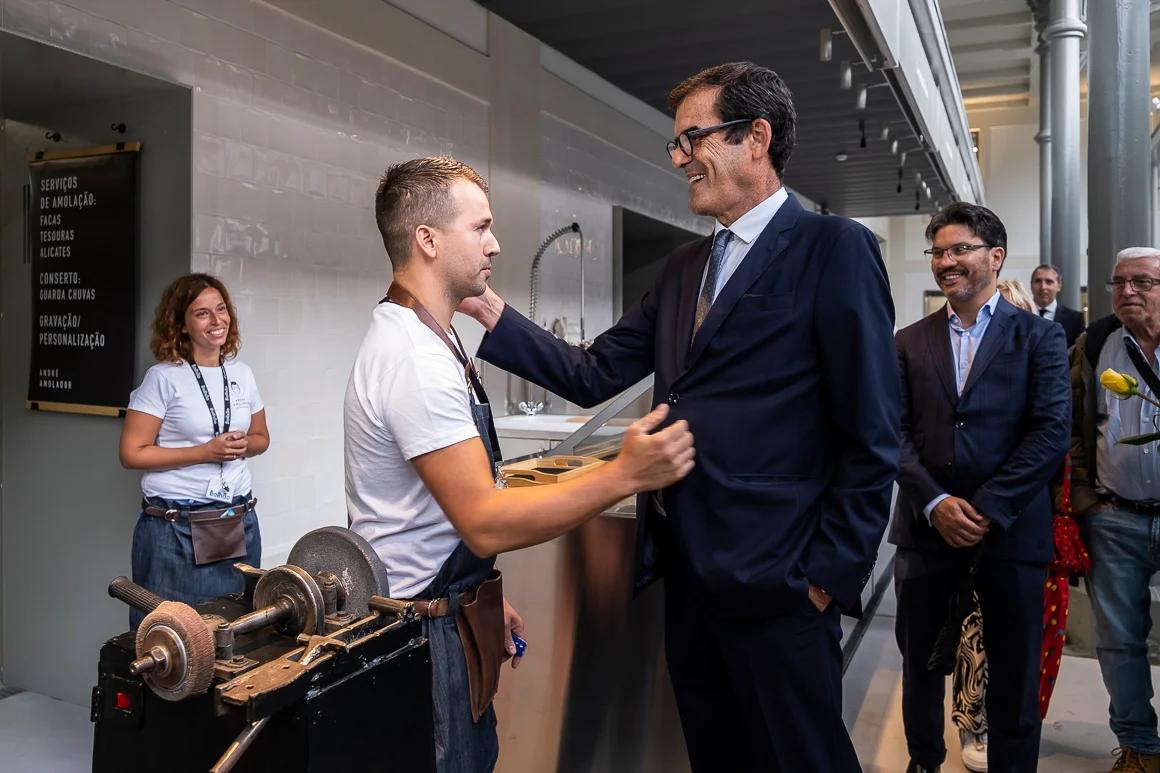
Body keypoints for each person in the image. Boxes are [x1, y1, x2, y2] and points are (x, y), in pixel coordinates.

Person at [460, 62, 901, 772]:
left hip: (782, 586)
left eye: (692, 139)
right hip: (689, 581)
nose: (679, 159)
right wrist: (488, 310)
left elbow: (873, 430)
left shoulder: (834, 249)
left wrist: (824, 578)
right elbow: (593, 371)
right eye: (676, 143)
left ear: (755, 138)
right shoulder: (682, 268)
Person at [345, 156, 694, 773]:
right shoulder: (415, 361)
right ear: (427, 239)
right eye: (480, 228)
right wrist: (624, 474)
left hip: (447, 612)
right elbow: (484, 521)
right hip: (421, 637)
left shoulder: (432, 337)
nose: (495, 244)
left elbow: (445, 524)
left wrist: (475, 592)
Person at [891, 203, 1070, 773]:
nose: (947, 261)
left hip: (1011, 533)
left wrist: (987, 507)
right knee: (920, 663)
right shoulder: (908, 341)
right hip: (926, 528)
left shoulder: (1038, 339)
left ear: (995, 256)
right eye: (939, 252)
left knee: (1013, 671)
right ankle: (924, 761)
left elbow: (1051, 432)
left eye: (960, 249)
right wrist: (938, 501)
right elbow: (889, 433)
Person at [119, 274, 269, 628]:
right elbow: (132, 453)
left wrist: (243, 446)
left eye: (221, 309)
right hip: (176, 529)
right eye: (202, 313)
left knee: (236, 631)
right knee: (174, 638)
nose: (217, 321)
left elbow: (261, 437)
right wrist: (206, 451)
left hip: (237, 521)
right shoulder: (163, 378)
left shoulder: (242, 373)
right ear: (182, 324)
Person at [1068, 247, 1160, 773]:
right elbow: (1076, 423)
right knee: (1119, 640)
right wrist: (1088, 499)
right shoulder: (1097, 342)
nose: (1128, 291)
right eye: (1119, 282)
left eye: (1142, 282)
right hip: (1114, 517)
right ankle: (1139, 747)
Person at [949, 278, 1040, 773]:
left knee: (1015, 653)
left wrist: (989, 506)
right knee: (970, 636)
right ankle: (971, 723)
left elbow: (1048, 437)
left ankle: (1006, 737)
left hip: (1014, 523)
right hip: (953, 522)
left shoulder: (1037, 351)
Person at [1031, 264, 1085, 347]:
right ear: (1031, 285)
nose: (1043, 287)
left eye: (1049, 282)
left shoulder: (1075, 319)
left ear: (1059, 286)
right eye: (1038, 281)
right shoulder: (1019, 316)